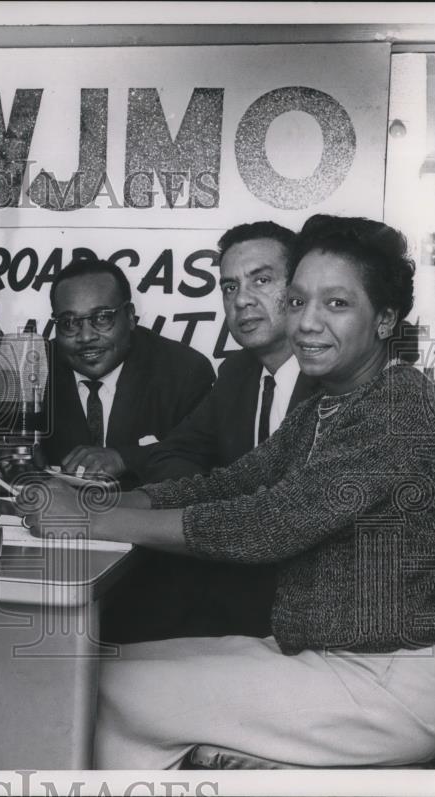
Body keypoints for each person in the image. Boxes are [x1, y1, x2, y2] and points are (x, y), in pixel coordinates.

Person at [16, 215, 435, 768]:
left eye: (336, 304)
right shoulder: (329, 404)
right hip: (316, 655)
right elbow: (230, 484)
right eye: (296, 302)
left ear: (385, 318)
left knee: (88, 690)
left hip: (383, 683)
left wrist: (85, 519)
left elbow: (267, 522)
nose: (307, 324)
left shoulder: (400, 408)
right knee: (91, 663)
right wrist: (91, 502)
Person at [130, 222, 319, 640]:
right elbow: (169, 454)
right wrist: (218, 493)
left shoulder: (334, 382)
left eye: (262, 280)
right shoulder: (237, 372)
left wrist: (225, 499)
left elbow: (284, 521)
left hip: (304, 613)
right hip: (234, 588)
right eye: (230, 287)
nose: (243, 300)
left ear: (300, 289)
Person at [0, 257, 215, 480]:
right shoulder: (35, 363)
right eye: (69, 322)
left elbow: (205, 457)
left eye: (102, 318)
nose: (86, 336)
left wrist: (126, 458)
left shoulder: (183, 370)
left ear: (130, 316)